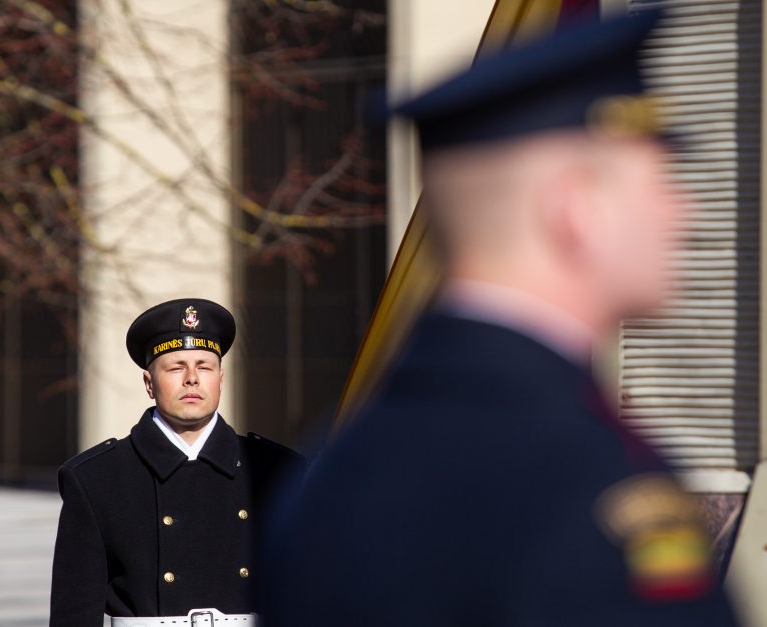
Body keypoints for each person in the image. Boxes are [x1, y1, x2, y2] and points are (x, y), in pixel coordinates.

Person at [261, 11, 739, 627]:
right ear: (577, 210)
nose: (684, 215)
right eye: (661, 182)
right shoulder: (586, 472)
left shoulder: (336, 465)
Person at [50, 298, 302, 627]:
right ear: (149, 383)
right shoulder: (97, 479)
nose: (192, 378)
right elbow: (74, 615)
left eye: (204, 366)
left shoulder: (275, 469)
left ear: (221, 380)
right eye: (176, 367)